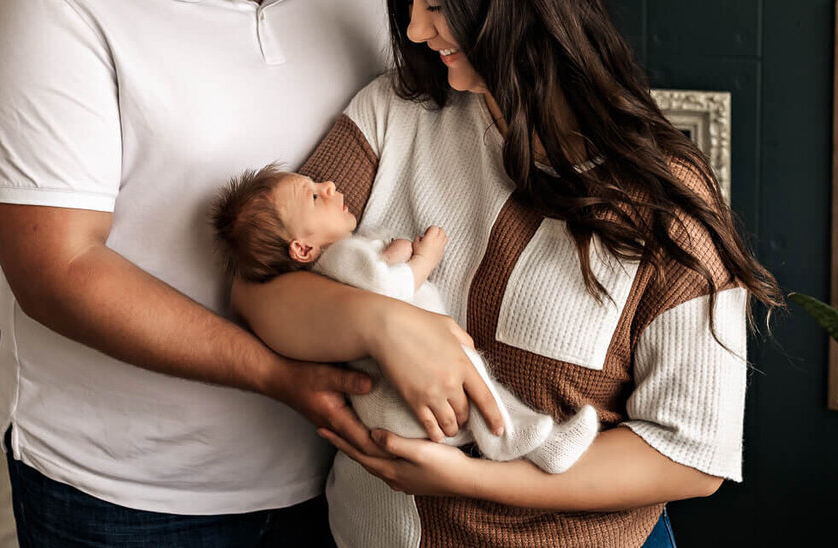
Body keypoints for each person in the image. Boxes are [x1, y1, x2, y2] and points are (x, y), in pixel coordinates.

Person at [0, 0, 502, 546]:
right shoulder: (56, 5)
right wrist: (279, 377)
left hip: (341, 473)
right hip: (129, 490)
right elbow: (58, 271)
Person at [233, 0, 787, 547]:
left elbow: (689, 453)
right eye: (406, 2)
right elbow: (260, 289)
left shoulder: (662, 195)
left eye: (435, 3)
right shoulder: (392, 114)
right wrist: (383, 326)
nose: (413, 30)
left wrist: (467, 481)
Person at [210, 164, 599, 473]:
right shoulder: (340, 256)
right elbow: (388, 290)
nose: (328, 184)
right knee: (475, 377)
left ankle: (528, 439)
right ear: (301, 247)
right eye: (313, 195)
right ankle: (523, 442)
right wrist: (423, 259)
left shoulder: (322, 273)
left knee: (475, 378)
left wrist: (392, 253)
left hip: (393, 406)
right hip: (407, 400)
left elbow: (374, 274)